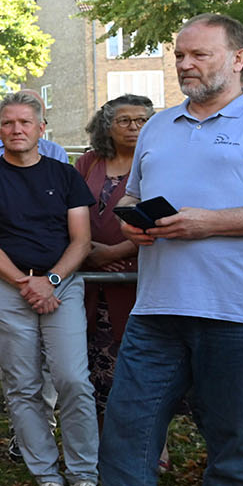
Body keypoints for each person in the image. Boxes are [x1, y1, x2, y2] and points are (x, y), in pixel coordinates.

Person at [53, 13, 243, 486]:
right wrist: (135, 222)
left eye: (198, 54)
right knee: (126, 438)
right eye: (179, 56)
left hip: (238, 313)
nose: (185, 64)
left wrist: (207, 223)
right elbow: (126, 201)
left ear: (238, 58)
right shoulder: (161, 127)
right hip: (156, 311)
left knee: (233, 451)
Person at [0, 90, 100, 486]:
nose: (16, 130)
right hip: (8, 287)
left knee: (73, 379)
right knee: (22, 385)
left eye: (25, 122)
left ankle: (83, 477)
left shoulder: (65, 176)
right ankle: (47, 479)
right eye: (8, 123)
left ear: (42, 128)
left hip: (61, 284)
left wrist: (51, 281)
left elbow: (82, 240)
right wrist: (26, 283)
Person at [74, 94, 154, 421]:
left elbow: (163, 217)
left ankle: (149, 441)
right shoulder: (88, 163)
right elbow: (70, 209)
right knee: (91, 361)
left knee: (139, 363)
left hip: (137, 276)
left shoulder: (158, 161)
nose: (133, 127)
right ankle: (101, 440)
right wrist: (85, 250)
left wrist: (113, 253)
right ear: (108, 126)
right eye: (124, 120)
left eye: (142, 120)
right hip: (90, 276)